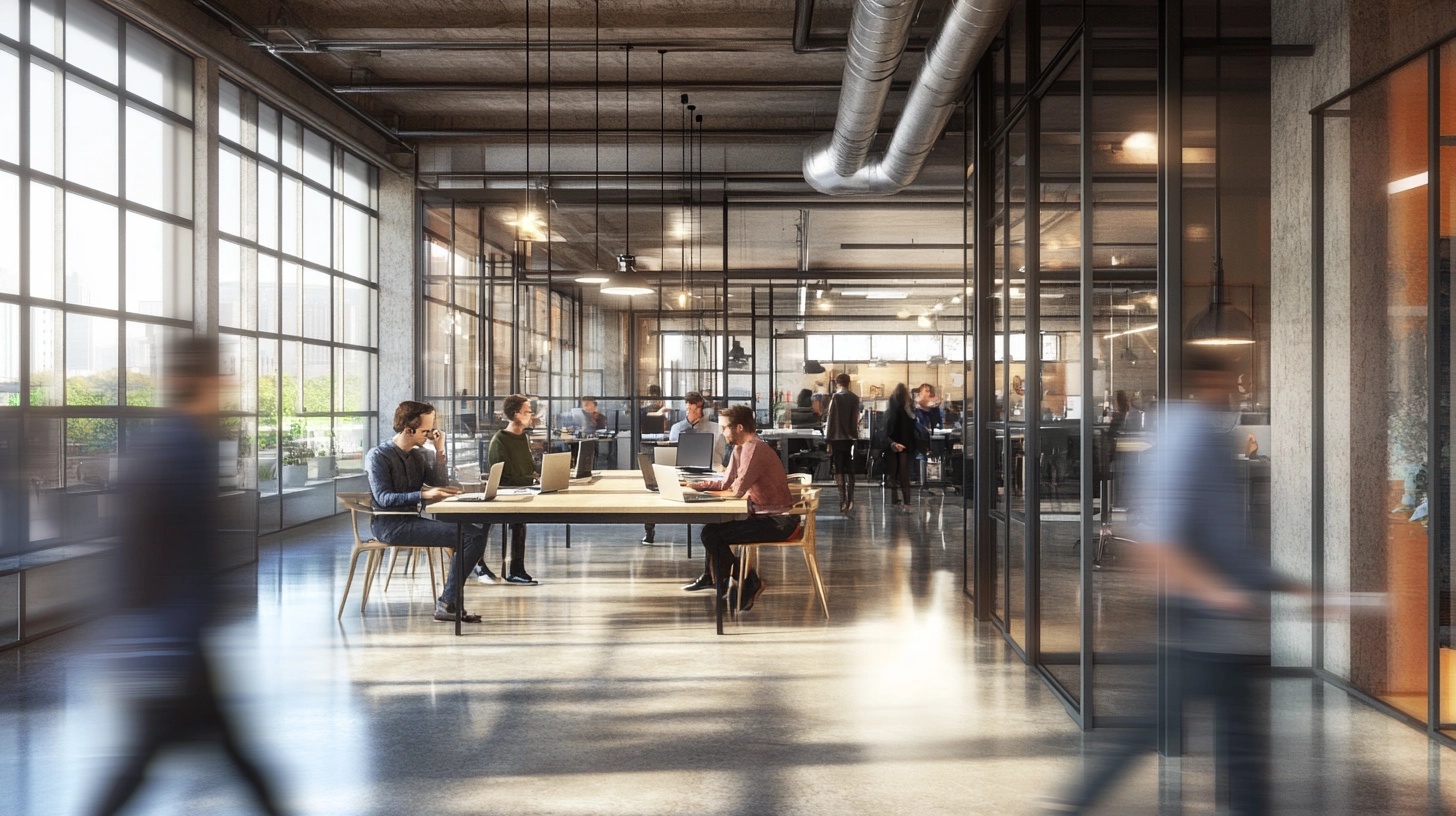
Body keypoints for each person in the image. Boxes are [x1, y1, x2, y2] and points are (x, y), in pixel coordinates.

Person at [1046, 350, 1312, 815]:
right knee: (1179, 739)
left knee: (1237, 748)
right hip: (1197, 623)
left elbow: (1224, 542)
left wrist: (1294, 588)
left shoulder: (1187, 433)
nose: (1238, 386)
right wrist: (1218, 593)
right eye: (1232, 375)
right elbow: (1161, 542)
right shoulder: (1189, 436)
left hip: (1211, 624)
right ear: (1208, 378)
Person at [90, 336, 288, 816]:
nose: (229, 383)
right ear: (202, 380)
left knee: (219, 754)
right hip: (169, 640)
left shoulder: (172, 442)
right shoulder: (182, 448)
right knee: (154, 760)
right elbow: (154, 554)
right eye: (222, 373)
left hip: (167, 637)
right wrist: (167, 643)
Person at [365, 400, 492, 616]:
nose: (430, 435)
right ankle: (447, 604)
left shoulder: (417, 455)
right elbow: (384, 498)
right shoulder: (378, 456)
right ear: (408, 429)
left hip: (412, 521)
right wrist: (423, 494)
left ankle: (448, 602)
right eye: (426, 431)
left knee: (474, 534)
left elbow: (439, 483)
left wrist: (439, 450)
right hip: (390, 525)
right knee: (471, 537)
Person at [680, 405, 796, 612]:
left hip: (778, 522)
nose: (722, 432)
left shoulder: (755, 449)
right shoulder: (741, 448)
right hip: (763, 515)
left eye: (725, 428)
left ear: (739, 427)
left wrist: (706, 494)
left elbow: (737, 491)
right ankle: (729, 580)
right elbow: (727, 484)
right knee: (712, 531)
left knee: (711, 534)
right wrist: (696, 485)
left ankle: (745, 580)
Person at [642, 391, 725, 545]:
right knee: (656, 492)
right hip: (681, 469)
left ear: (703, 410)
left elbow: (720, 455)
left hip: (708, 470)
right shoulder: (677, 428)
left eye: (695, 409)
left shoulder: (716, 428)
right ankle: (649, 530)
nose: (691, 413)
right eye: (688, 409)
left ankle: (716, 530)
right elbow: (671, 454)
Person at [487, 394, 541, 585]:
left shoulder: (524, 438)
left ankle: (517, 569)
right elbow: (502, 477)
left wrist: (542, 475)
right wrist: (530, 480)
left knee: (522, 518)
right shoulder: (499, 440)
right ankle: (515, 570)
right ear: (516, 414)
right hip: (506, 492)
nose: (531, 415)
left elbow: (529, 467)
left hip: (525, 489)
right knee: (519, 519)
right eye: (527, 412)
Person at [823, 373, 862, 515]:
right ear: (848, 383)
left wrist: (828, 440)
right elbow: (855, 418)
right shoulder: (854, 398)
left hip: (837, 438)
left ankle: (842, 500)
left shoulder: (836, 397)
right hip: (851, 438)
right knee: (850, 468)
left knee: (839, 468)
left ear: (837, 383)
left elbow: (831, 419)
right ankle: (851, 498)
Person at [883, 383, 917, 512]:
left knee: (893, 474)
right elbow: (910, 430)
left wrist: (891, 443)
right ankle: (907, 502)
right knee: (904, 475)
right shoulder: (907, 412)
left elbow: (885, 431)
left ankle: (894, 500)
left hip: (892, 446)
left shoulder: (890, 411)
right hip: (904, 447)